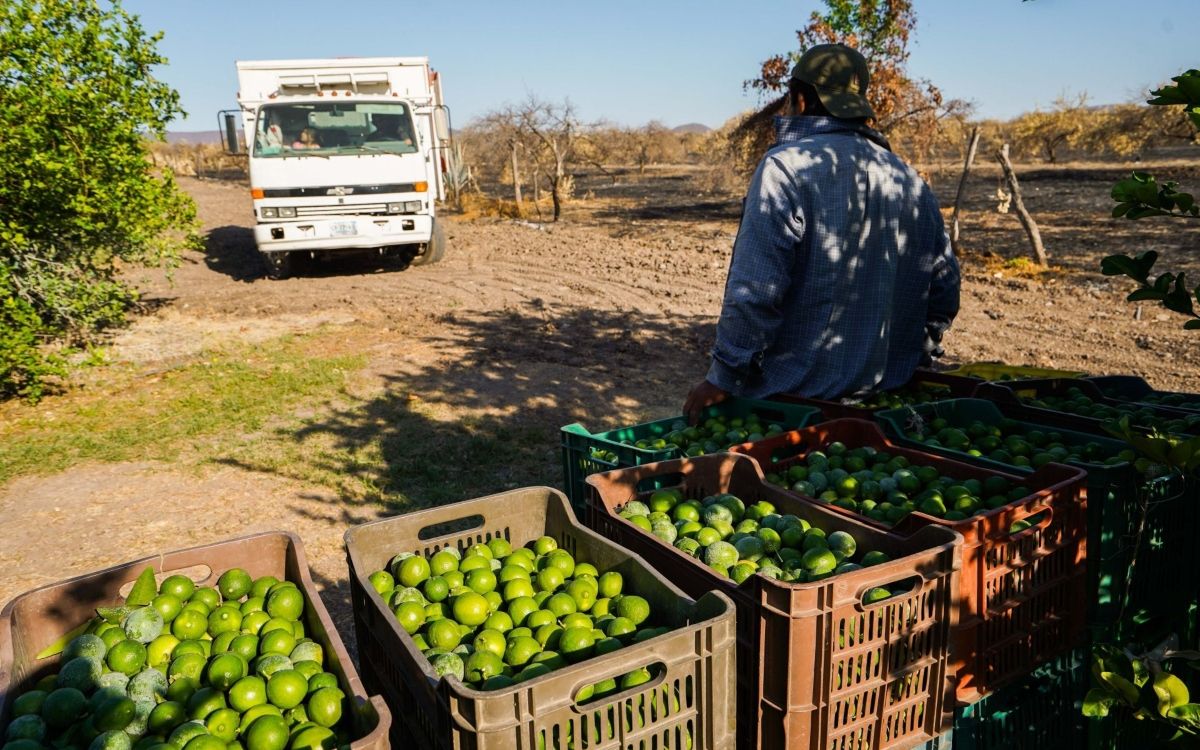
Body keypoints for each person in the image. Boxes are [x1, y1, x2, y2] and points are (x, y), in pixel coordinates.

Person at [684, 43, 960, 419]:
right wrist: (915, 353)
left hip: (793, 409)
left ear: (799, 99)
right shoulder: (909, 178)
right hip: (886, 404)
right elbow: (944, 288)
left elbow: (755, 291)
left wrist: (723, 377)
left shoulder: (785, 168)